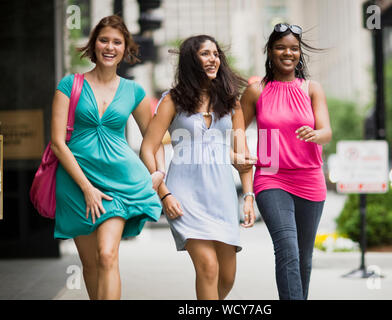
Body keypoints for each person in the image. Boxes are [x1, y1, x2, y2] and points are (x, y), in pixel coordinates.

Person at [51, 15, 164, 300]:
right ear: (93, 44)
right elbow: (56, 143)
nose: (110, 47)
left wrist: (159, 171)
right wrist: (87, 189)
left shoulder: (133, 91)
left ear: (125, 48)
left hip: (117, 183)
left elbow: (153, 138)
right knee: (90, 265)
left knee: (107, 255)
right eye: (104, 40)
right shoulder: (69, 84)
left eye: (117, 42)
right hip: (77, 184)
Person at [140, 35, 256, 300]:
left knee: (227, 276)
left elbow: (242, 155)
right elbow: (148, 147)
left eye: (215, 54)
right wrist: (164, 193)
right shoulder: (173, 101)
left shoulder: (230, 101)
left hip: (222, 196)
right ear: (191, 60)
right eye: (205, 54)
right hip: (183, 196)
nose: (213, 59)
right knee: (208, 267)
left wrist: (248, 196)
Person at [239, 23, 332, 300]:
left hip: (310, 179)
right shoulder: (257, 91)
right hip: (271, 177)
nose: (287, 53)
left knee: (303, 258)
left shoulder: (311, 89)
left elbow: (327, 131)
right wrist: (242, 154)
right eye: (281, 47)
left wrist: (316, 134)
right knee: (287, 250)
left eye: (293, 48)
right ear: (270, 51)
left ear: (300, 53)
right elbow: (236, 128)